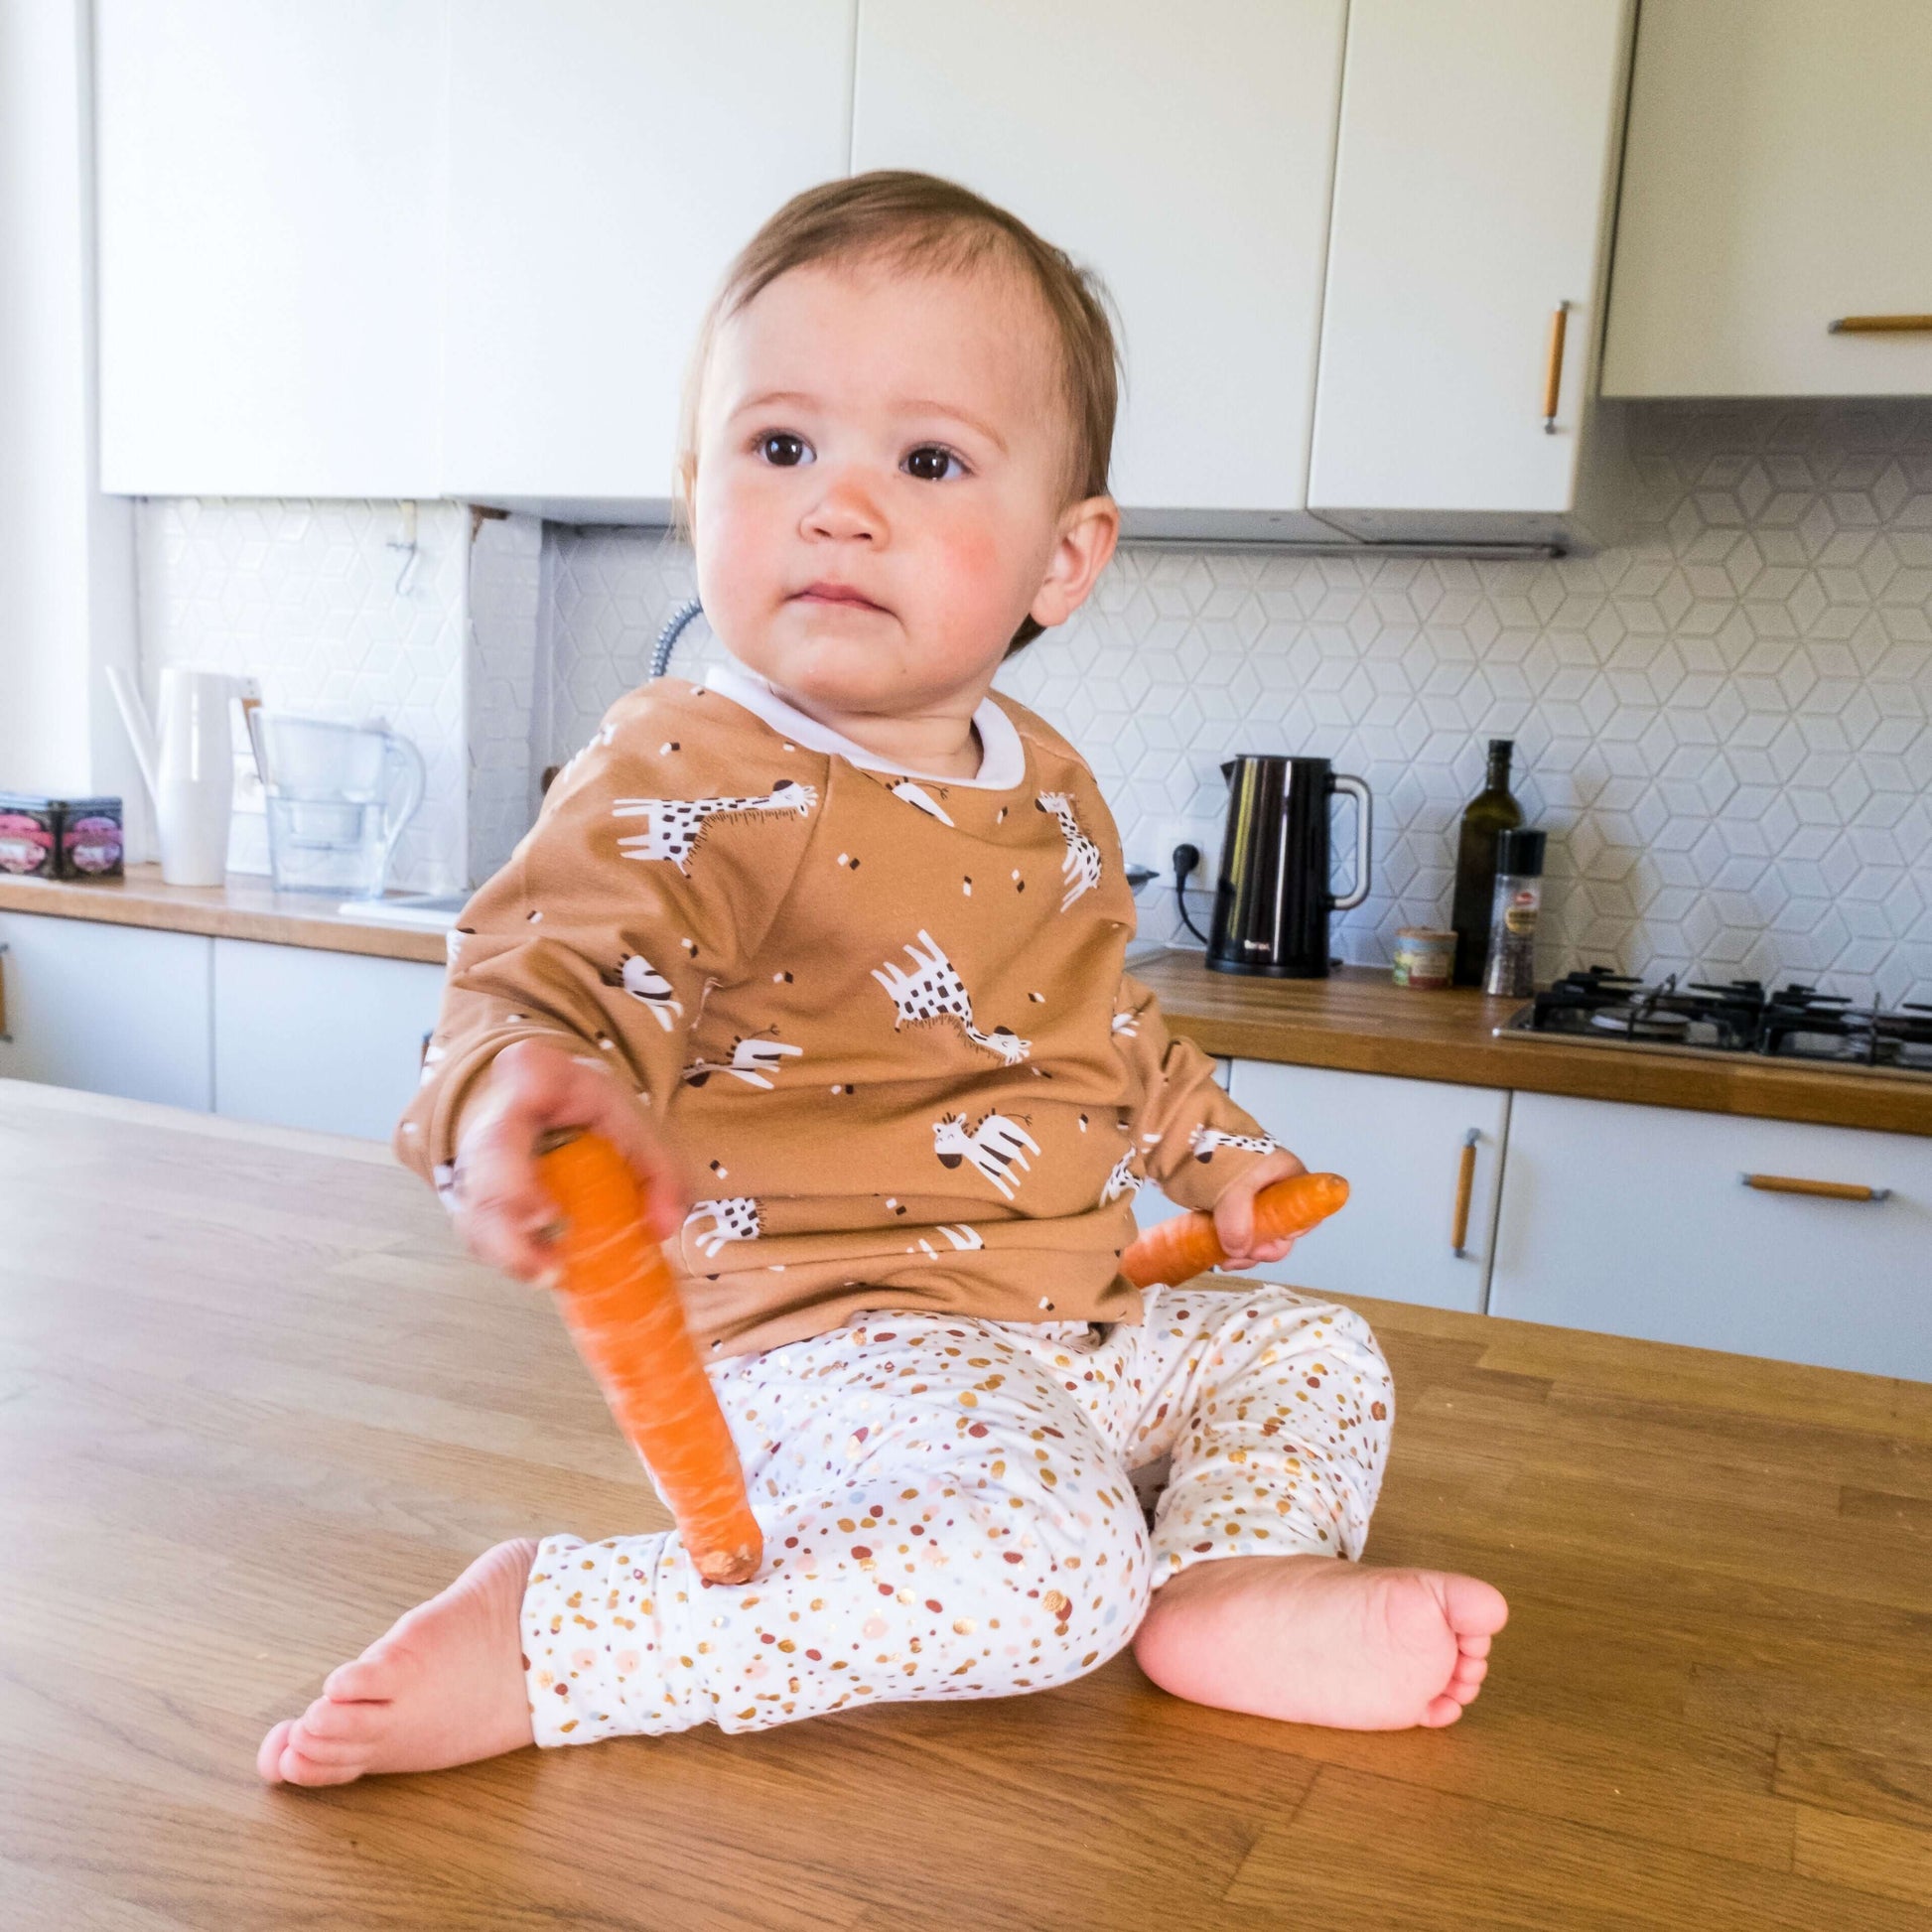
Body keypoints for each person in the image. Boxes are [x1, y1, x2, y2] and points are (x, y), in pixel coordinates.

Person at [257, 171, 1506, 1786]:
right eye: (781, 449)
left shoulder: (1044, 778)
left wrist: (1222, 1160)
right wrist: (521, 1079)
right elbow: (556, 958)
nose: (838, 505)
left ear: (1063, 558)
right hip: (835, 1338)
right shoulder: (688, 762)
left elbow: (1097, 1021)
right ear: (696, 486)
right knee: (1052, 1580)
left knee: (1311, 1348)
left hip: (1067, 1313)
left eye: (925, 461)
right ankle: (558, 1631)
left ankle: (1228, 1584)